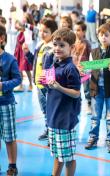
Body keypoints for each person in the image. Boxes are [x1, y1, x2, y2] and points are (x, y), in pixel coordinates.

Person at [40, 28, 81, 176]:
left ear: (72, 47)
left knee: (69, 157)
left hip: (65, 120)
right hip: (53, 118)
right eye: (55, 44)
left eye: (62, 45)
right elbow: (48, 85)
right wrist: (45, 80)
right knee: (58, 155)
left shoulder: (70, 68)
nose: (57, 48)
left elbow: (76, 93)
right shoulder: (54, 64)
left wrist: (59, 87)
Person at [84, 23, 110, 153]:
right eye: (101, 35)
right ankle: (93, 138)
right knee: (95, 116)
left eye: (106, 35)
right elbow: (89, 68)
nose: (103, 37)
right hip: (96, 90)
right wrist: (84, 69)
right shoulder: (94, 52)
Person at [23, 18, 58, 141]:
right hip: (39, 83)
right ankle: (48, 129)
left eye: (46, 31)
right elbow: (35, 63)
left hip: (47, 85)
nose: (42, 33)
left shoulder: (53, 48)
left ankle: (53, 133)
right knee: (44, 109)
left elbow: (52, 68)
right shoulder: (41, 45)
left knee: (50, 109)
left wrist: (48, 83)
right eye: (41, 31)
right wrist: (27, 54)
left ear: (53, 33)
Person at [0, 24, 22, 176]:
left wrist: (3, 85)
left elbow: (18, 79)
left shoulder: (9, 59)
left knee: (9, 137)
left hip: (6, 104)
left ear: (1, 39)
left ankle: (12, 166)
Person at [72, 21, 92, 115]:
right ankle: (77, 105)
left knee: (86, 89)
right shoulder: (72, 43)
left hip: (84, 71)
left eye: (79, 30)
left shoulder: (87, 44)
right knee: (76, 89)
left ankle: (89, 104)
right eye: (75, 30)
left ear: (84, 32)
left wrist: (89, 68)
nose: (76, 32)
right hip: (74, 71)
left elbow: (91, 56)